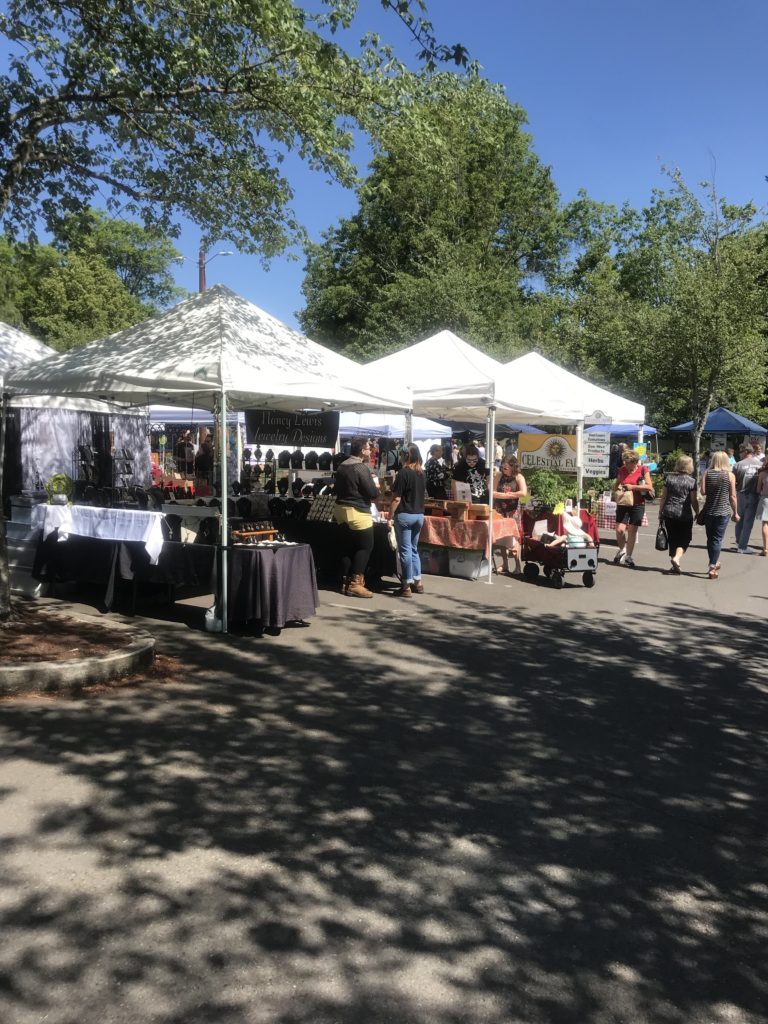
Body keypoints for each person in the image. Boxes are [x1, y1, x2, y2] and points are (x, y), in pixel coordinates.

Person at [333, 436, 379, 598]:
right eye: (368, 448)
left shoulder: (342, 466)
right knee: (365, 546)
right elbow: (372, 492)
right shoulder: (360, 467)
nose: (370, 450)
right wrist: (376, 487)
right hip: (357, 510)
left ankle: (345, 582)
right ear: (362, 450)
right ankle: (355, 584)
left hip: (340, 509)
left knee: (347, 547)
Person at [389, 444, 426, 597]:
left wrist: (390, 516)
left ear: (405, 456)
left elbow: (396, 498)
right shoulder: (421, 473)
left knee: (405, 551)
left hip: (404, 515)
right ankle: (418, 582)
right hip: (419, 515)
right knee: (413, 549)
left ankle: (406, 585)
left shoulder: (404, 473)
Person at [612, 449, 654, 568]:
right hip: (624, 503)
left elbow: (649, 487)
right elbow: (618, 482)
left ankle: (628, 556)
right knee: (620, 529)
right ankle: (622, 550)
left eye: (628, 463)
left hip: (638, 504)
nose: (626, 465)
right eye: (625, 462)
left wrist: (633, 487)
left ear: (635, 462)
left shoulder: (643, 470)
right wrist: (614, 492)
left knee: (632, 530)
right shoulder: (622, 469)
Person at [700, 450, 738, 579]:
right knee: (717, 539)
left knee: (711, 539)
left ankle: (714, 562)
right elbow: (732, 496)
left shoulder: (707, 473)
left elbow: (703, 492)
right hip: (723, 511)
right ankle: (712, 566)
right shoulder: (730, 475)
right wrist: (736, 512)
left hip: (709, 511)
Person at [657, 455, 699, 574]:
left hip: (669, 512)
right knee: (685, 539)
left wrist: (660, 511)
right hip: (684, 514)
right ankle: (677, 558)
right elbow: (693, 500)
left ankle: (675, 563)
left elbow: (663, 497)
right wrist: (697, 512)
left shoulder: (669, 478)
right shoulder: (692, 481)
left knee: (673, 538)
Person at [491, 454, 527, 575]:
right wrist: (502, 495)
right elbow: (492, 491)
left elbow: (524, 492)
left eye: (506, 468)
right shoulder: (499, 475)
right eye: (503, 467)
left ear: (512, 467)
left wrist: (509, 495)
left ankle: (518, 566)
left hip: (512, 511)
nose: (504, 470)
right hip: (499, 509)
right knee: (501, 537)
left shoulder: (518, 477)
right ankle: (505, 564)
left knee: (514, 537)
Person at [733, 444, 762, 553]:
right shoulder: (760, 465)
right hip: (753, 494)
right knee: (748, 522)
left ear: (746, 452)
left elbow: (733, 481)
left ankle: (739, 543)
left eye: (740, 452)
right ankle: (742, 545)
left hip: (740, 493)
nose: (739, 454)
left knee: (740, 519)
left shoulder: (737, 465)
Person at [757, 456, 768, 557]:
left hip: (765, 499)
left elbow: (758, 489)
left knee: (765, 524)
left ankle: (765, 548)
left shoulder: (763, 474)